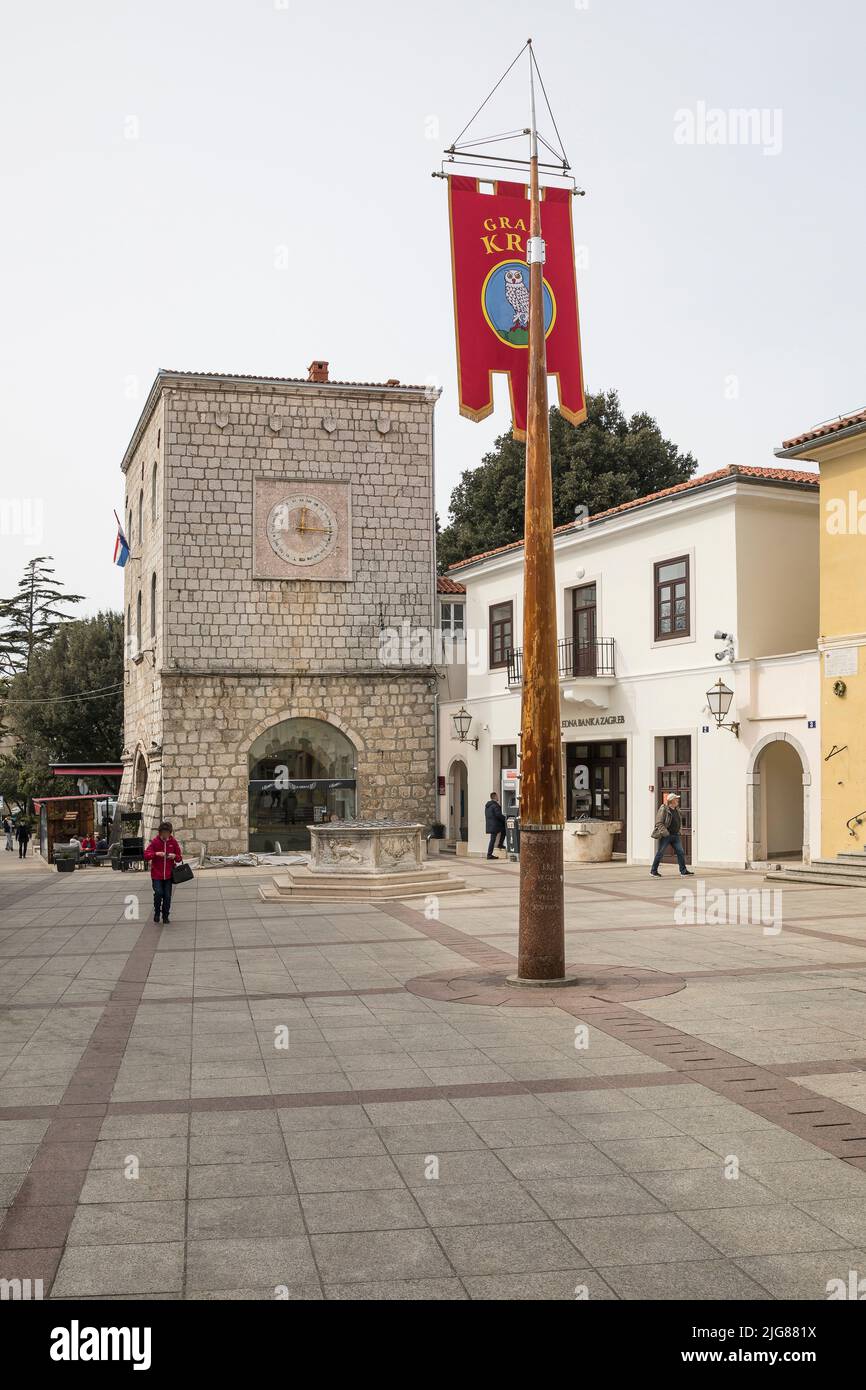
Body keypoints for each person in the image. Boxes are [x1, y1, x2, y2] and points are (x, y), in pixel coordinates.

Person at [144, 820, 183, 924]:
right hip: (156, 874)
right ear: (160, 832)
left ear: (170, 833)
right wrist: (156, 853)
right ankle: (157, 912)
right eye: (163, 833)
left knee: (167, 896)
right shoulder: (155, 842)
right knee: (158, 893)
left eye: (167, 833)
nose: (165, 835)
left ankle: (165, 915)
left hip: (169, 875)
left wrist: (174, 856)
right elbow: (146, 855)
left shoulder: (173, 842)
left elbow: (179, 858)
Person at [650, 793, 694, 877]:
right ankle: (653, 871)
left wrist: (679, 830)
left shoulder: (677, 809)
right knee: (660, 853)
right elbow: (659, 823)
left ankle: (683, 871)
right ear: (671, 801)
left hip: (675, 835)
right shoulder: (664, 809)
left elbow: (679, 821)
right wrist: (666, 833)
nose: (678, 800)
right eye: (676, 799)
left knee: (680, 852)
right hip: (666, 836)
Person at [484, 791, 507, 860]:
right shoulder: (495, 805)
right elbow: (498, 815)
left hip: (491, 825)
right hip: (495, 825)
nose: (498, 797)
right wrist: (505, 819)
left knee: (493, 839)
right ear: (494, 797)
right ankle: (490, 854)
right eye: (497, 796)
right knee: (503, 831)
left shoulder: (488, 806)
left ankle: (491, 853)